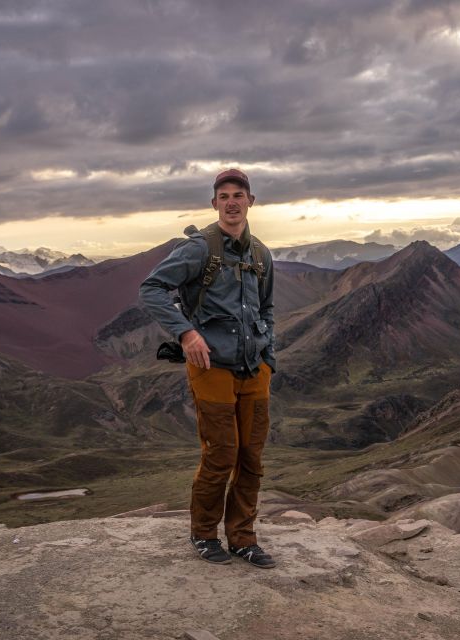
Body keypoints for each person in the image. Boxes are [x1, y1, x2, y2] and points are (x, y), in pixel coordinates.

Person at [138, 168, 276, 568]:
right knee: (222, 453)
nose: (232, 201)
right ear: (214, 203)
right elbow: (151, 288)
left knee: (251, 456)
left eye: (239, 194)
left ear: (251, 201)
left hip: (254, 369)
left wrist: (270, 356)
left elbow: (267, 309)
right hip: (210, 366)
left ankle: (243, 538)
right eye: (224, 195)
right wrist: (185, 333)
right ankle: (203, 534)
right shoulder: (200, 249)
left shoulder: (261, 254)